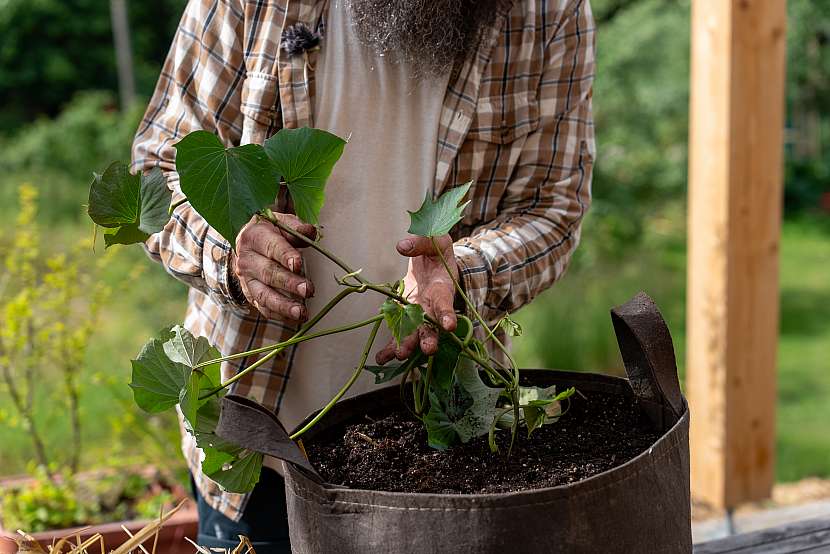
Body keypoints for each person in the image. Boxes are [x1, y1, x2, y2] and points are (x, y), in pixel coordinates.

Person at [133, 0, 594, 550]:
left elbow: (552, 210)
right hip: (255, 449)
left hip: (446, 453)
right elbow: (157, 171)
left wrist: (464, 274)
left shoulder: (548, 13)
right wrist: (230, 253)